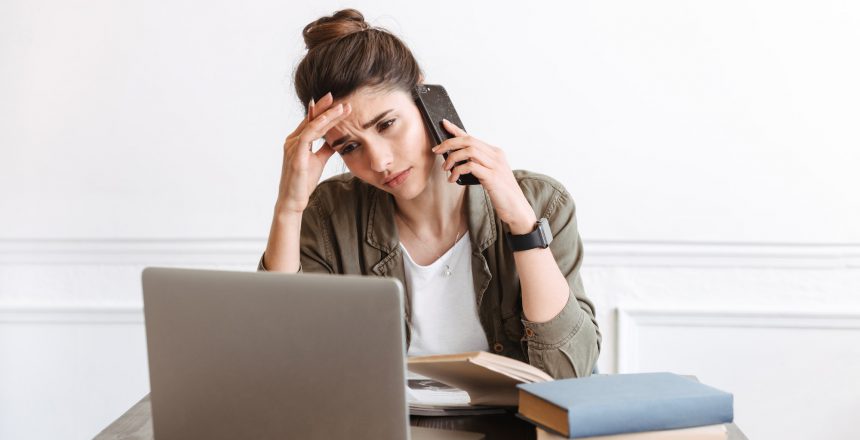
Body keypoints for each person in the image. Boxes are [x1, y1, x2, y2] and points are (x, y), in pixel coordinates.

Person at [258, 8, 600, 379]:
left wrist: (523, 225)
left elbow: (569, 373)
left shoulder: (541, 202)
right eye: (349, 148)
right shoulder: (328, 213)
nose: (380, 161)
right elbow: (284, 364)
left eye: (387, 124)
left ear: (425, 99)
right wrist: (289, 209)